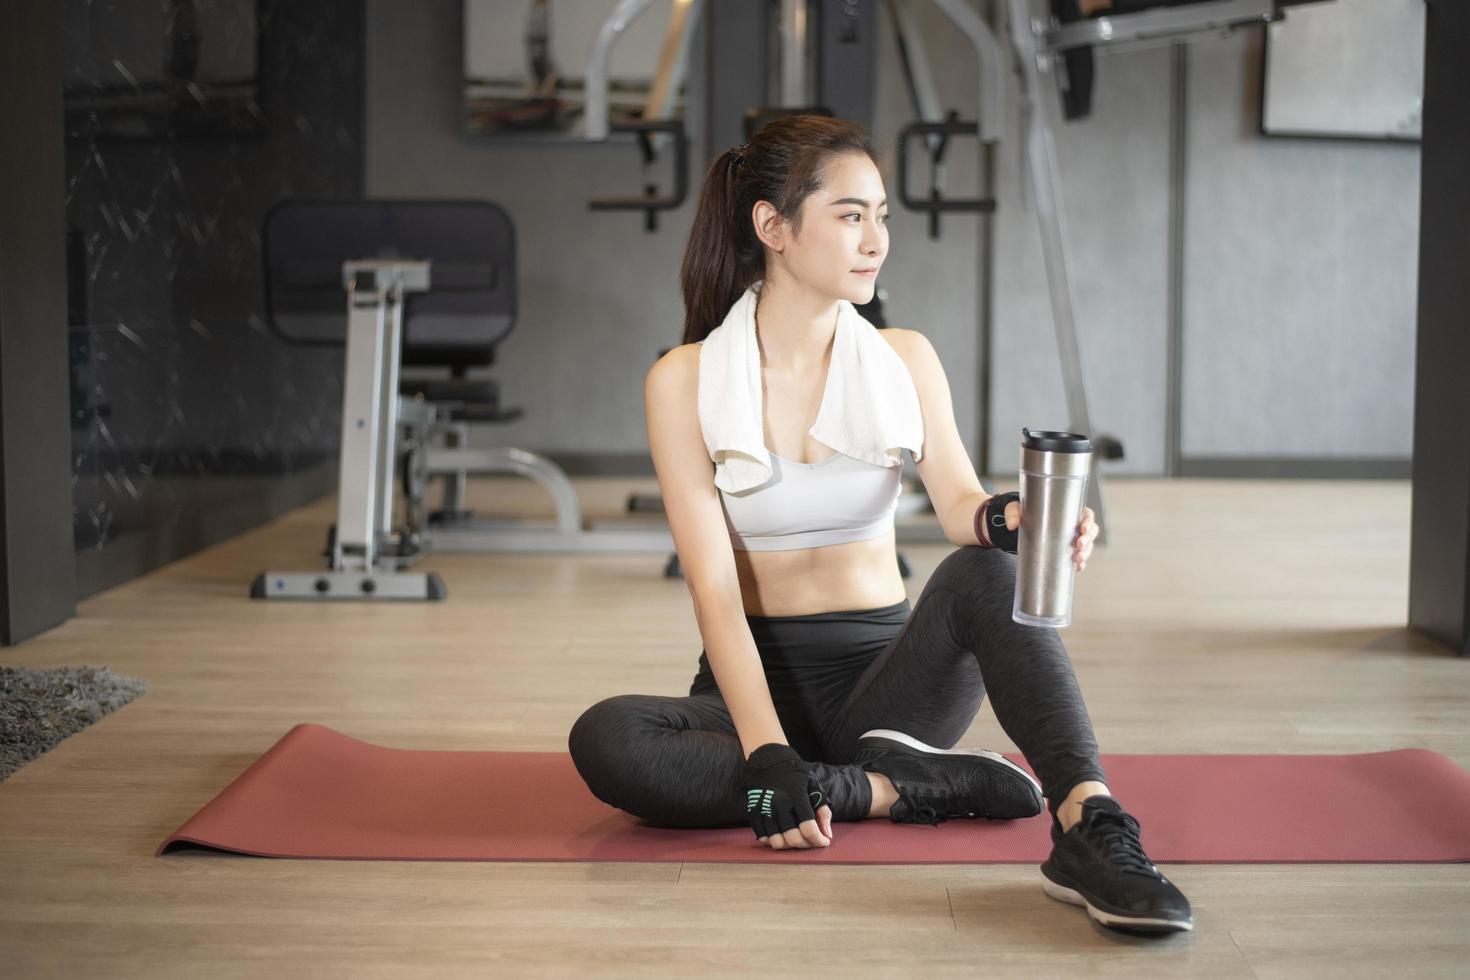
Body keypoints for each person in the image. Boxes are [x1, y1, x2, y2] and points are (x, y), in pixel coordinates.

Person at [568, 116, 1192, 935]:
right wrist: (765, 752)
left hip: (892, 689)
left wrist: (1020, 518)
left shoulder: (904, 357)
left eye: (883, 216)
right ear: (773, 227)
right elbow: (714, 586)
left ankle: (1089, 823)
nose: (877, 239)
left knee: (987, 575)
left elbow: (965, 509)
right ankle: (898, 790)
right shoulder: (683, 380)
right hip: (750, 688)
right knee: (607, 740)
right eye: (851, 214)